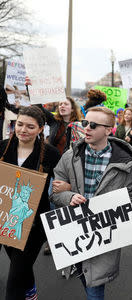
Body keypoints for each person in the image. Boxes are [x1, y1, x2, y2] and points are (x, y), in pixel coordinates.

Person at [51, 106, 132, 300]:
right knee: (85, 277)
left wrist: (104, 209)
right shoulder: (69, 156)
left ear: (108, 130)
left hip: (103, 231)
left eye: (93, 125)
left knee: (94, 287)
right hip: (73, 229)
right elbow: (54, 194)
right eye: (84, 123)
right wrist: (69, 197)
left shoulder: (125, 164)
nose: (86, 128)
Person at [0, 106, 60, 300]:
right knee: (22, 270)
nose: (23, 130)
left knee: (14, 282)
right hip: (4, 220)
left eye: (30, 126)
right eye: (19, 124)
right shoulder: (2, 147)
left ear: (41, 129)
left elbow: (63, 182)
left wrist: (64, 186)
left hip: (33, 226)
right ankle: (31, 289)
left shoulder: (50, 154)